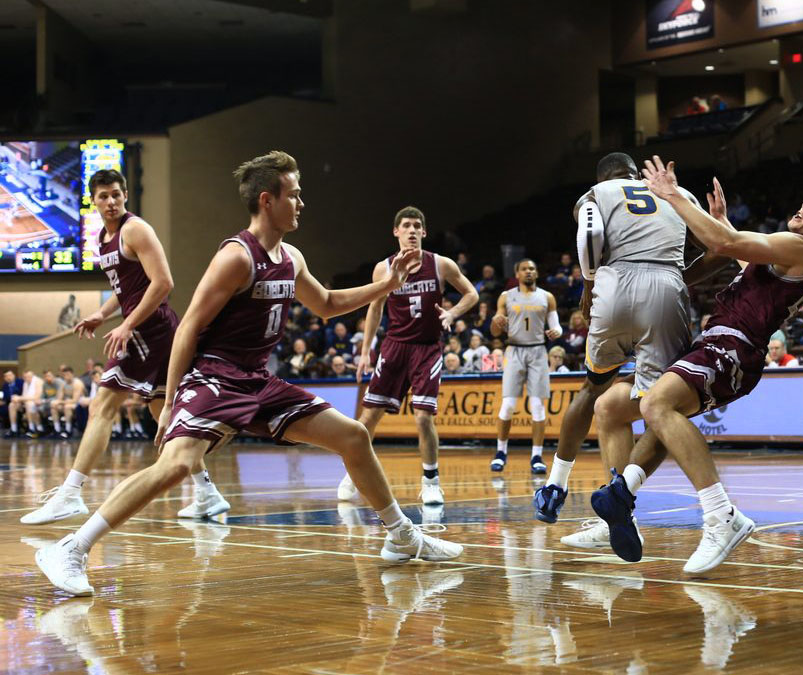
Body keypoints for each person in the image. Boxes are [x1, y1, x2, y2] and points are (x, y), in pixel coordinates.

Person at [35, 151, 462, 597]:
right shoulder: (236, 258)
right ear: (267, 200)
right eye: (294, 195)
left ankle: (402, 537)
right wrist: (173, 401)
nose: (301, 203)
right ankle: (70, 547)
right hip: (215, 377)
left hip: (258, 380)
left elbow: (329, 304)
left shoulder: (291, 256)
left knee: (353, 435)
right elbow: (189, 330)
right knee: (177, 464)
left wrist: (387, 285)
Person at [608, 157, 803, 573]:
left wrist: (672, 195)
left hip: (734, 346)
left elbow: (725, 246)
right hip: (724, 344)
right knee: (661, 416)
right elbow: (742, 260)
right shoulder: (787, 257)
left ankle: (721, 514)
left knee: (655, 405)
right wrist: (720, 222)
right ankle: (622, 493)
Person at [22, 169, 227, 526]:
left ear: (126, 195)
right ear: (93, 200)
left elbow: (164, 283)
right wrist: (101, 315)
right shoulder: (102, 238)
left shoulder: (136, 229)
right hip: (147, 328)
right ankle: (207, 492)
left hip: (152, 328)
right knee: (163, 413)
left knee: (103, 403)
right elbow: (125, 292)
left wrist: (127, 325)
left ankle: (70, 494)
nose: (111, 201)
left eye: (116, 194)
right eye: (103, 196)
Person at [529, 152, 696, 545]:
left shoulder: (598, 192)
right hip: (667, 286)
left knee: (593, 390)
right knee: (663, 406)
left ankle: (555, 486)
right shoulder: (675, 192)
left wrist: (589, 284)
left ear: (602, 177)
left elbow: (588, 235)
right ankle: (625, 499)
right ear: (637, 173)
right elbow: (713, 246)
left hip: (616, 284)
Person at [342, 205, 479, 507]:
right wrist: (365, 352)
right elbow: (374, 309)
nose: (413, 230)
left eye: (418, 225)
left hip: (427, 348)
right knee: (368, 417)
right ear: (396, 232)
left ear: (425, 232)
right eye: (406, 225)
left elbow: (472, 294)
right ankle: (353, 474)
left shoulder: (441, 264)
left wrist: (453, 313)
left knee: (422, 418)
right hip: (394, 347)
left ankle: (430, 481)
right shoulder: (383, 268)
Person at [489, 259, 562, 473]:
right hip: (514, 350)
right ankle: (501, 452)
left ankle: (537, 456)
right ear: (517, 274)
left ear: (536, 273)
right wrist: (496, 322)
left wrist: (557, 332)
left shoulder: (547, 297)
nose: (528, 271)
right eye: (524, 269)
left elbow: (556, 326)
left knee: (538, 406)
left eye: (532, 268)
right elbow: (494, 332)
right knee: (509, 405)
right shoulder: (506, 296)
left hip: (538, 351)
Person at [50, 366, 85, 438]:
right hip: (67, 402)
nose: (66, 377)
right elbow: (59, 398)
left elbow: (75, 400)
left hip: (80, 404)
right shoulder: (63, 384)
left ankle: (68, 430)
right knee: (54, 406)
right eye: (65, 375)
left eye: (68, 375)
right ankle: (57, 429)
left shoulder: (77, 383)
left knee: (67, 407)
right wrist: (57, 402)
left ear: (72, 374)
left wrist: (61, 402)